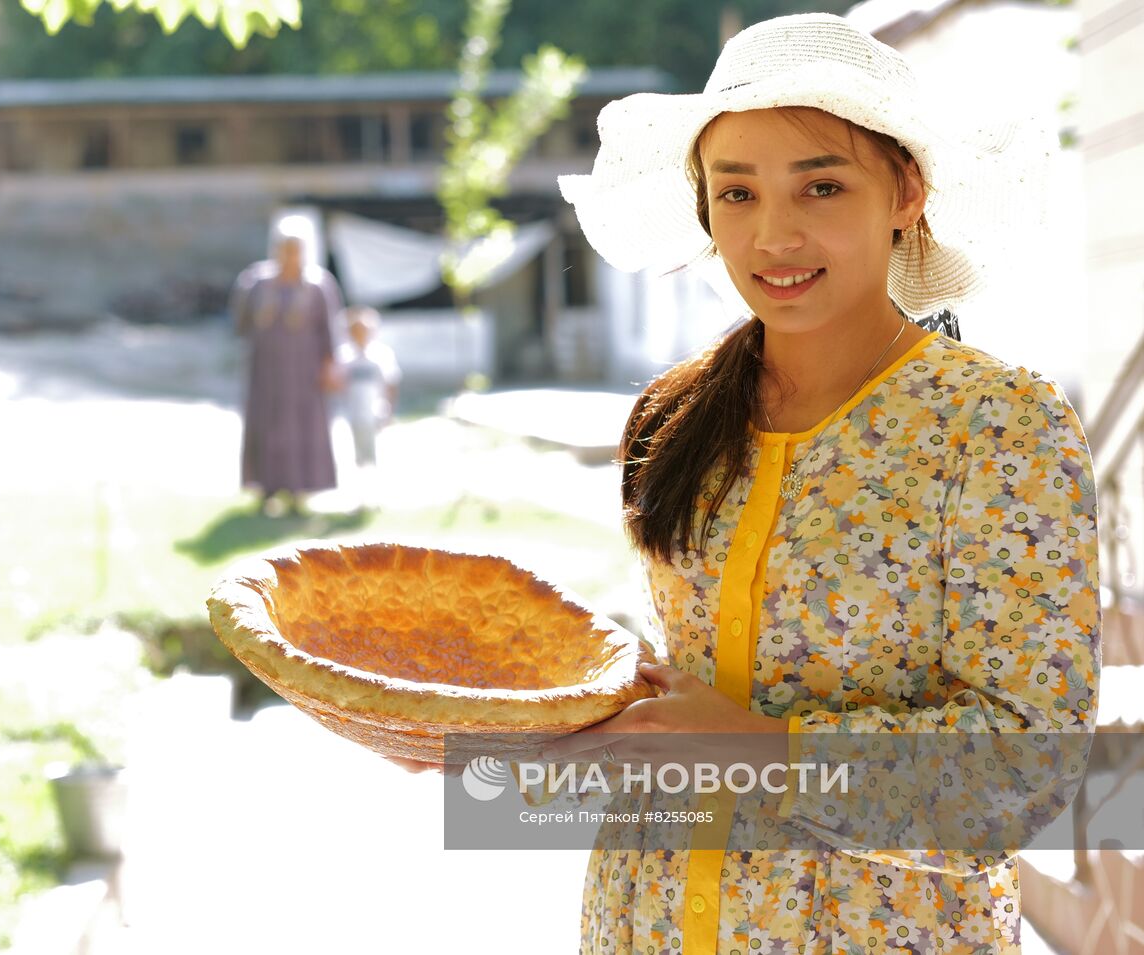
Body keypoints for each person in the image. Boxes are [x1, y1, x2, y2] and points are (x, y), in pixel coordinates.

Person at [398, 14, 1101, 954]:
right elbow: (689, 683)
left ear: (906, 192)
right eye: (736, 192)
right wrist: (556, 720)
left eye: (821, 185)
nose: (773, 235)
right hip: (642, 920)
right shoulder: (677, 415)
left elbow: (1025, 773)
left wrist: (752, 752)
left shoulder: (1000, 426)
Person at [230, 217, 345, 516]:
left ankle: (300, 490)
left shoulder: (319, 285)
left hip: (304, 373)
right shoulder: (255, 282)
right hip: (266, 371)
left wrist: (330, 366)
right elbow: (239, 325)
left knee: (301, 427)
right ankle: (267, 488)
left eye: (296, 249)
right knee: (267, 423)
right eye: (285, 248)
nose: (290, 255)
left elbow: (330, 331)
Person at [336, 306, 400, 473]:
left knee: (376, 446)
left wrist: (390, 410)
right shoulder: (343, 356)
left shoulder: (381, 355)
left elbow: (391, 382)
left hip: (375, 408)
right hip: (350, 410)